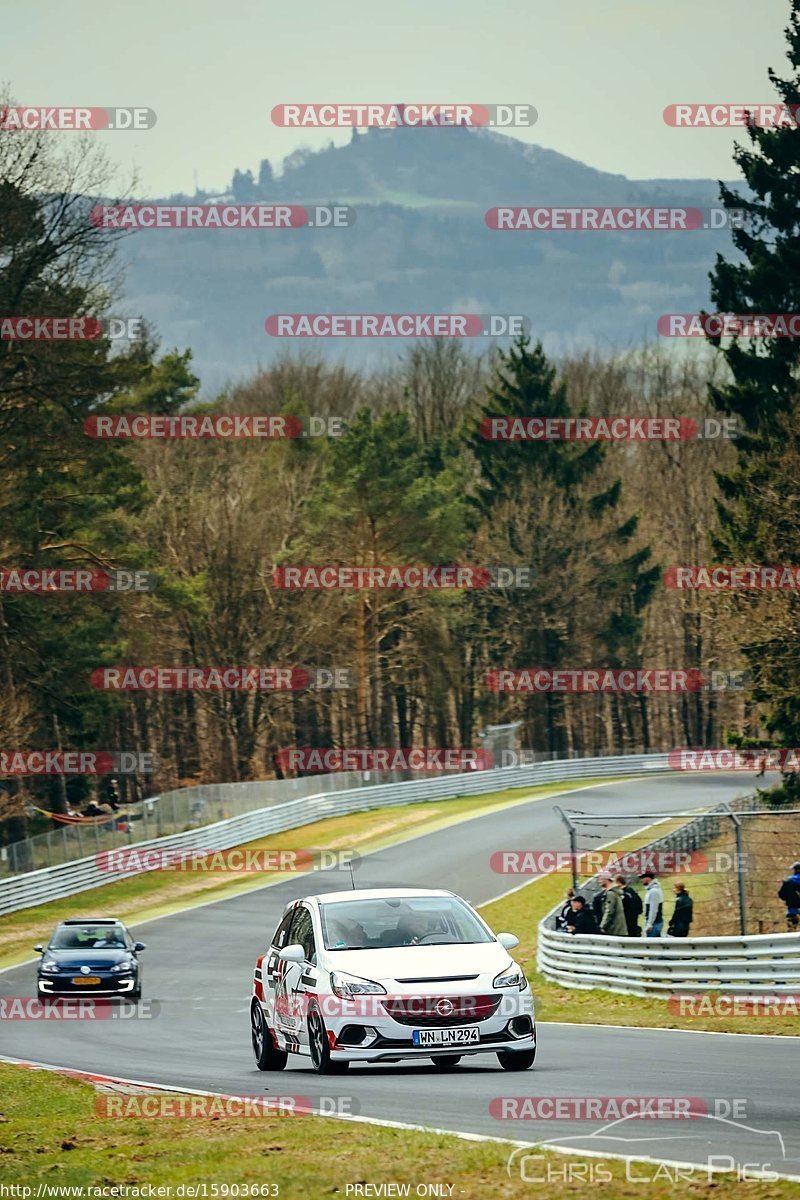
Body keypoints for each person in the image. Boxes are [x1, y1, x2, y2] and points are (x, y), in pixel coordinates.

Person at [639, 871, 664, 937]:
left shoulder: (653, 891)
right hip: (655, 923)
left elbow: (653, 909)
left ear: (648, 878)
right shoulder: (653, 889)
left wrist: (650, 924)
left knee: (651, 945)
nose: (641, 880)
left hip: (654, 924)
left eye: (642, 878)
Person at [778, 862, 800, 932]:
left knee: (792, 929)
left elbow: (781, 894)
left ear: (795, 870)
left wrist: (789, 898)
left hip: (792, 909)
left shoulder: (788, 881)